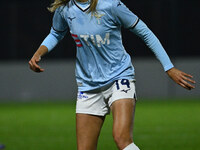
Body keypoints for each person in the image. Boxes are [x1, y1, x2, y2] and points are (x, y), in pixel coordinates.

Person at [29, 0, 196, 149]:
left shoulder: (110, 5)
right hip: (88, 86)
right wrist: (39, 53)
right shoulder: (65, 9)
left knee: (121, 138)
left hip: (119, 78)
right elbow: (56, 33)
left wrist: (169, 67)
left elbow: (145, 32)